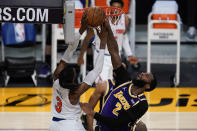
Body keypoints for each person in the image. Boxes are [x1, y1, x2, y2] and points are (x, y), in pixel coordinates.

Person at [80, 18, 157, 131]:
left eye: (146, 76)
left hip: (116, 128)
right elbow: (114, 52)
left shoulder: (142, 104)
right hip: (101, 128)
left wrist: (92, 113)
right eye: (144, 72)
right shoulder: (124, 81)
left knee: (141, 127)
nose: (142, 73)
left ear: (148, 86)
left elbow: (117, 123)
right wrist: (109, 29)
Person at [50, 11, 108, 131]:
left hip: (54, 125)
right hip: (70, 126)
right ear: (73, 80)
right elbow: (97, 70)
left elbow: (68, 52)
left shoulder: (56, 80)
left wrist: (81, 30)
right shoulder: (75, 93)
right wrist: (102, 43)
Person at [77, 0, 138, 83]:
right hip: (101, 56)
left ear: (122, 9)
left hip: (117, 57)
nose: (116, 10)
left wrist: (129, 54)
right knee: (101, 85)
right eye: (114, 8)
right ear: (109, 8)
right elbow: (87, 38)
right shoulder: (100, 20)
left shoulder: (125, 19)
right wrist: (81, 55)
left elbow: (124, 38)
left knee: (115, 84)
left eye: (118, 8)